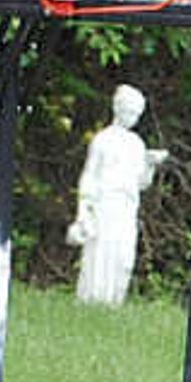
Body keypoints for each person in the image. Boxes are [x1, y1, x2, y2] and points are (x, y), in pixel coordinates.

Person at [70, 85, 163, 306]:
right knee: (101, 254)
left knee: (123, 257)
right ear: (117, 108)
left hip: (127, 206)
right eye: (128, 112)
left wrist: (150, 164)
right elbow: (89, 176)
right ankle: (93, 301)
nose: (132, 118)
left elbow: (141, 183)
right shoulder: (103, 139)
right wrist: (83, 211)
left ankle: (114, 301)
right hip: (105, 203)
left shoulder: (136, 144)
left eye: (136, 114)